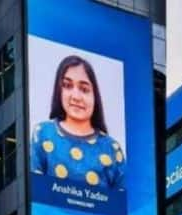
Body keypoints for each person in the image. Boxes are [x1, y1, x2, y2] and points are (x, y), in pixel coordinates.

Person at [30, 55, 125, 190]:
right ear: (59, 90)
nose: (76, 97)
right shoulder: (43, 133)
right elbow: (35, 193)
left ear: (95, 96)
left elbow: (122, 204)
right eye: (67, 86)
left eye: (84, 89)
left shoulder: (111, 148)